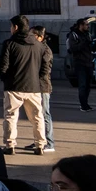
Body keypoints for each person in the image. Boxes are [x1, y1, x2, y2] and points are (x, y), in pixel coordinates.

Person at [0, 15, 51, 154]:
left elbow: (3, 66)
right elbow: (45, 66)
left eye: (11, 26)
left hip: (14, 86)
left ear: (15, 27)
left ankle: (10, 145)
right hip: (33, 86)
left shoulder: (9, 44)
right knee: (37, 117)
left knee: (11, 116)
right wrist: (38, 79)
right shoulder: (39, 45)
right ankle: (40, 145)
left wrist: (5, 78)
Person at [34, 25, 58, 153]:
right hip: (35, 86)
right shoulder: (36, 48)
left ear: (40, 37)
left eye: (33, 35)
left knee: (44, 114)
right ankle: (39, 140)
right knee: (37, 115)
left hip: (43, 86)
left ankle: (49, 142)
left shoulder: (45, 50)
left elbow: (45, 70)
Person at [68, 19, 96, 112]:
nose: (88, 26)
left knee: (88, 85)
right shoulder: (73, 35)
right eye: (86, 25)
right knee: (82, 85)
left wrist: (93, 44)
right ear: (80, 25)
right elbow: (73, 48)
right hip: (79, 63)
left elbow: (91, 48)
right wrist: (84, 43)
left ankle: (86, 103)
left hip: (88, 62)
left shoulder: (88, 34)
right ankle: (83, 105)